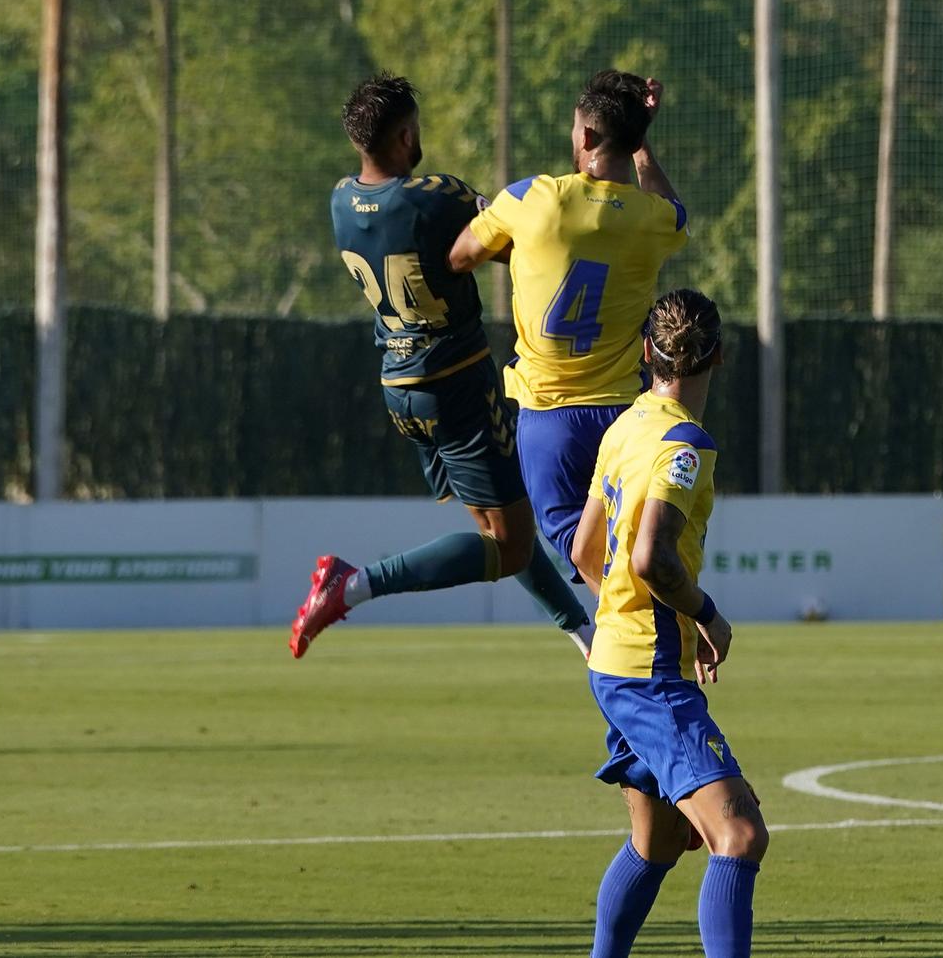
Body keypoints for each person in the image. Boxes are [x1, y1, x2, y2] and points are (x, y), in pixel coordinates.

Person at [290, 73, 594, 657]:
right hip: (455, 382)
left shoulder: (339, 200)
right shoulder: (434, 197)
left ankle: (582, 634)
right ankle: (351, 585)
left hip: (400, 384)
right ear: (406, 135)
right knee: (509, 546)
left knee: (502, 533)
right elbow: (511, 239)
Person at [570, 289, 765, 958]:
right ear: (721, 355)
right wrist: (703, 614)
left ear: (646, 352)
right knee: (738, 836)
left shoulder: (624, 428)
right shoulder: (686, 443)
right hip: (651, 677)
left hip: (615, 663)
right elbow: (651, 556)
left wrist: (633, 617)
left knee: (655, 843)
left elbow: (583, 552)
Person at [449, 69, 687, 591]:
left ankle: (631, 655)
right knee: (627, 555)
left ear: (584, 137)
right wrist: (642, 142)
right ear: (633, 141)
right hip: (624, 415)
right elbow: (677, 214)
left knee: (590, 566)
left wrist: (522, 246)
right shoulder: (653, 220)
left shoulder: (532, 199)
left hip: (549, 420)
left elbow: (461, 254)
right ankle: (654, 641)